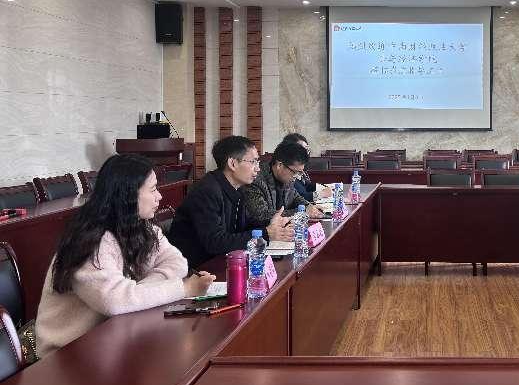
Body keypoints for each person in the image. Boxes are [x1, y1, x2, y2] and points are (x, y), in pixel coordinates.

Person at [35, 154, 215, 357]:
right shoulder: (91, 240)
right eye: (153, 189)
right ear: (128, 194)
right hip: (65, 354)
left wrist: (137, 292)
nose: (159, 196)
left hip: (109, 341)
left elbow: (177, 262)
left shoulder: (141, 226)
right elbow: (114, 300)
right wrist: (184, 288)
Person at [168, 136, 291, 267]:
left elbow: (245, 225)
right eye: (253, 162)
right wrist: (266, 233)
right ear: (232, 163)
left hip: (221, 261)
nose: (258, 168)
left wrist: (272, 225)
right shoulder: (207, 191)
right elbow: (215, 242)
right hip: (194, 268)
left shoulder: (238, 188)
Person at [243, 141, 325, 229]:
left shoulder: (287, 177)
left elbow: (295, 197)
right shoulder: (255, 180)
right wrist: (302, 212)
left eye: (300, 173)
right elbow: (262, 215)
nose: (297, 177)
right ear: (279, 165)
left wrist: (308, 206)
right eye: (295, 172)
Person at [279, 132, 333, 201]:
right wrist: (321, 194)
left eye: (307, 149)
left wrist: (324, 187)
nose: (306, 153)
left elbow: (307, 186)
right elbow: (298, 197)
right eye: (302, 150)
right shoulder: (286, 170)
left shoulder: (301, 166)